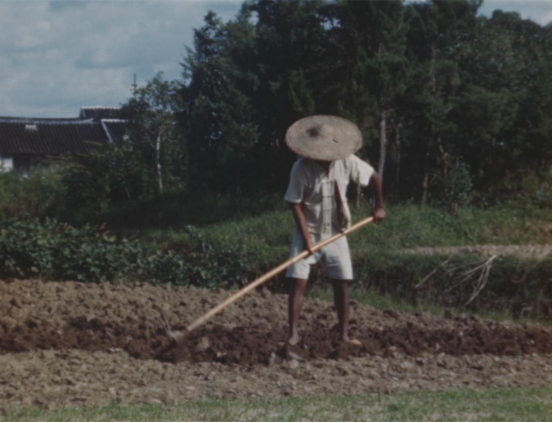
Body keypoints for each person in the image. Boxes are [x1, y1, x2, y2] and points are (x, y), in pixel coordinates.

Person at [284, 115, 386, 346]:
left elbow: (374, 177)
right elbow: (295, 203)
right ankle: (293, 335)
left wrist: (378, 206)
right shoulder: (301, 168)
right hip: (307, 229)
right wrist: (307, 238)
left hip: (337, 231)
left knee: (341, 281)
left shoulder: (346, 160)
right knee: (298, 281)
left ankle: (343, 335)